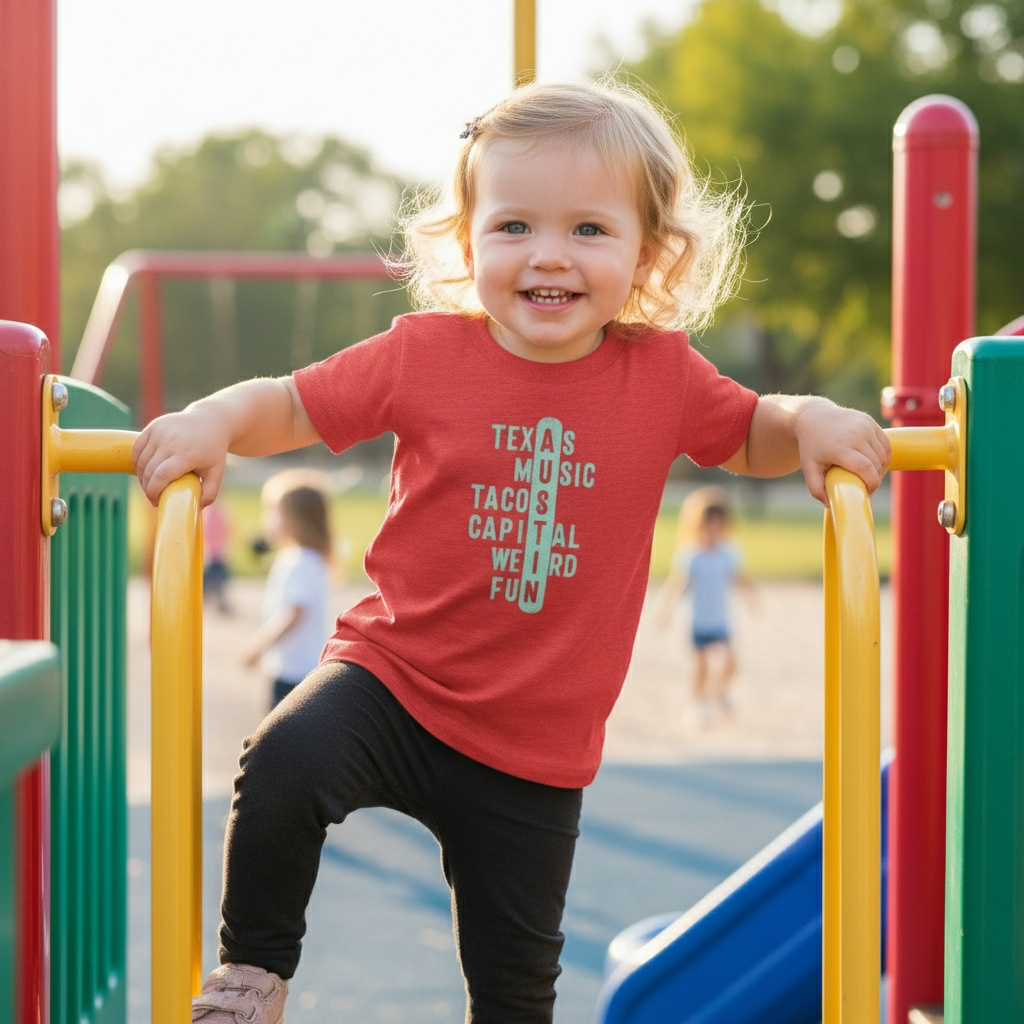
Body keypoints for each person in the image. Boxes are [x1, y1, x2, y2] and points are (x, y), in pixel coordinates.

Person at [132, 78, 891, 1024]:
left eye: (588, 230)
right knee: (286, 759)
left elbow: (749, 430)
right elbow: (290, 405)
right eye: (515, 226)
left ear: (649, 252)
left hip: (535, 748)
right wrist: (212, 421)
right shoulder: (423, 355)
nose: (549, 256)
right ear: (469, 241)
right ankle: (252, 976)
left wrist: (807, 417)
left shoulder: (661, 375)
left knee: (516, 986)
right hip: (394, 678)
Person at [660, 485, 754, 727]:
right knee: (700, 665)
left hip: (720, 619)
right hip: (698, 620)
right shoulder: (691, 555)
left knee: (731, 662)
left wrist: (750, 596)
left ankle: (718, 692)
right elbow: (679, 584)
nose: (713, 529)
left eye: (718, 524)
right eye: (707, 523)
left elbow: (738, 578)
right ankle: (697, 702)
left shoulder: (728, 553)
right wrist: (667, 610)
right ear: (696, 525)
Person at [241, 469, 333, 711]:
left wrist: (259, 645)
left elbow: (294, 613)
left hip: (293, 673)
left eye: (274, 513)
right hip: (301, 667)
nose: (267, 520)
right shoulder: (306, 558)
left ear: (295, 521)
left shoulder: (300, 561)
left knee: (272, 737)